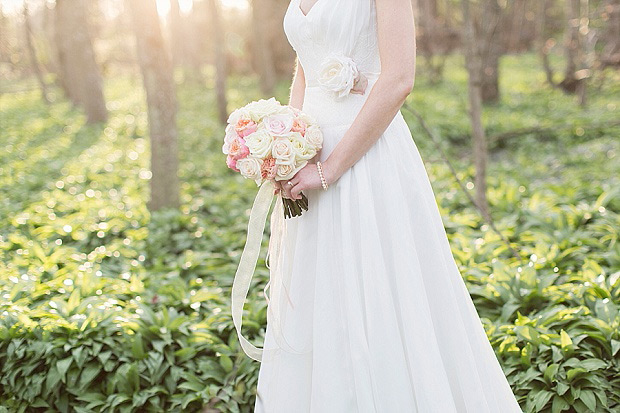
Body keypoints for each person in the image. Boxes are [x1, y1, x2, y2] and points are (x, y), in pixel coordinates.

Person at [253, 0, 524, 411]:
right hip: (309, 157)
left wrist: (330, 170)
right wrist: (288, 146)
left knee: (382, 290)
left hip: (367, 158)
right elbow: (306, 68)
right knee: (319, 297)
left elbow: (398, 79)